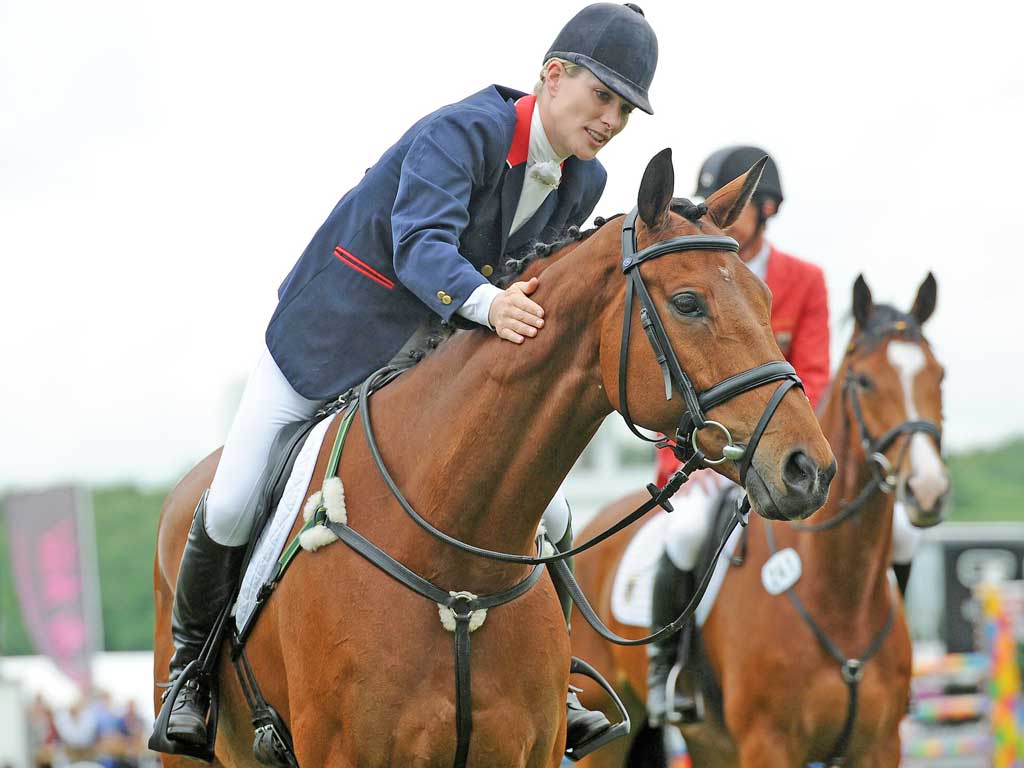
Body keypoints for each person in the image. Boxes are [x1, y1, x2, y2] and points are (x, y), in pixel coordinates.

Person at [156, 2, 659, 756]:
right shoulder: (458, 133)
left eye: (624, 109)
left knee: (549, 517)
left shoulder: (585, 181)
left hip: (428, 376)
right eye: (602, 97)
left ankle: (555, 680)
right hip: (328, 348)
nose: (611, 119)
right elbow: (422, 247)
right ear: (552, 78)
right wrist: (492, 305)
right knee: (229, 501)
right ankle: (189, 677)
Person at [645, 146, 831, 725]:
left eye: (734, 204)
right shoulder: (691, 271)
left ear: (767, 208)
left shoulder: (804, 280)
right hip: (707, 456)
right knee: (687, 533)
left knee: (891, 534)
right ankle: (666, 669)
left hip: (781, 445)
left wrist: (783, 442)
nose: (712, 214)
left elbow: (815, 374)